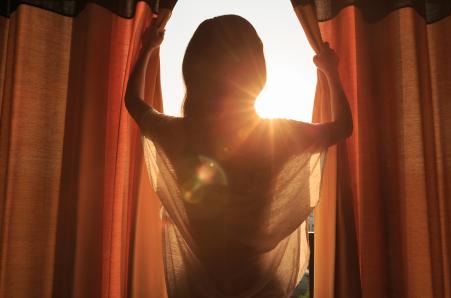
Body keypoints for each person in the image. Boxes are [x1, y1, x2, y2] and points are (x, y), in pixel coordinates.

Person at [125, 14, 352, 298]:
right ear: (256, 71)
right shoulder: (277, 136)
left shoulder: (178, 135)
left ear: (194, 72)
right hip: (261, 286)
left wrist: (148, 48)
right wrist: (330, 70)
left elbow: (132, 101)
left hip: (196, 287)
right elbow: (343, 126)